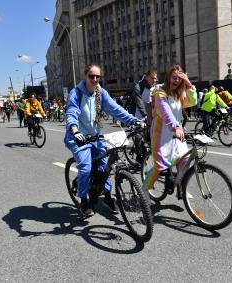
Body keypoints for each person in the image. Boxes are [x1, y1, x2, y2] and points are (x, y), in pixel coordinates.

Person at [64, 64, 139, 217]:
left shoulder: (100, 93)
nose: (95, 79)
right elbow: (72, 112)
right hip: (78, 137)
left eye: (98, 77)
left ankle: (107, 196)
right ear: (85, 76)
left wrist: (134, 121)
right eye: (92, 76)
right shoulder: (76, 93)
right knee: (85, 168)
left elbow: (115, 109)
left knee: (105, 166)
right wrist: (75, 130)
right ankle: (83, 200)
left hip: (96, 136)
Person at [142, 65, 197, 194]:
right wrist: (176, 127)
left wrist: (188, 84)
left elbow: (193, 101)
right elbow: (165, 111)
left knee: (183, 160)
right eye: (174, 77)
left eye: (179, 78)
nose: (177, 81)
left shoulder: (178, 94)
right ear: (168, 77)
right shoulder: (159, 91)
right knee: (160, 166)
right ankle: (144, 191)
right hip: (162, 135)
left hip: (177, 134)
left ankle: (181, 187)